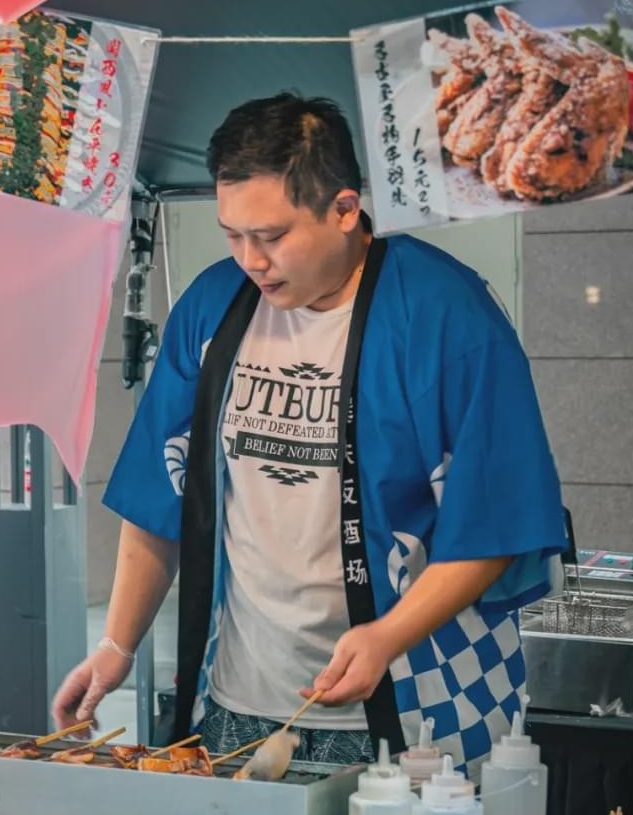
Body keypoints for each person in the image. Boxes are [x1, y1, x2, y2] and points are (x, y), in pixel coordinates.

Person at [52, 94, 567, 767]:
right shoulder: (211, 309)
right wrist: (116, 646)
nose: (250, 259)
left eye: (270, 236)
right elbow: (160, 496)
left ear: (346, 210)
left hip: (421, 706)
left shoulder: (448, 315)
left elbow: (495, 525)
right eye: (232, 234)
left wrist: (386, 636)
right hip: (241, 702)